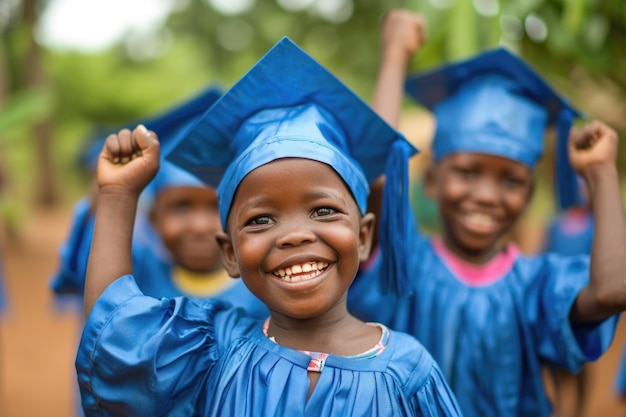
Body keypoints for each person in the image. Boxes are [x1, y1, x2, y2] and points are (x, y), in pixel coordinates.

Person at [76, 37, 463, 416]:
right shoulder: (213, 350)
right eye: (261, 220)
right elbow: (114, 333)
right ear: (230, 252)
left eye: (324, 211)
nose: (295, 234)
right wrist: (118, 196)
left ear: (363, 237)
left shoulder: (410, 372)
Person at [348, 10, 625, 417]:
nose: (487, 195)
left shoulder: (537, 287)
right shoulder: (404, 267)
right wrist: (394, 57)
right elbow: (380, 179)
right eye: (466, 172)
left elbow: (612, 290)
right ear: (431, 182)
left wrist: (601, 173)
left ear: (530, 195)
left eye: (511, 181)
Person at [50, 85, 267, 317]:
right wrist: (112, 190)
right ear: (153, 218)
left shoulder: (265, 295)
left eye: (218, 206)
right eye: (181, 206)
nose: (199, 227)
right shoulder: (135, 275)